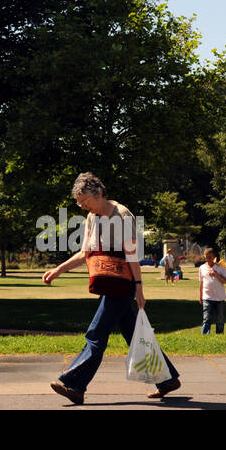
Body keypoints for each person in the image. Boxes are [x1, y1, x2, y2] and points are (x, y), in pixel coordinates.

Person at [44, 172, 181, 404]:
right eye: (79, 203)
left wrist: (138, 287)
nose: (82, 206)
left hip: (122, 284)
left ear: (98, 194)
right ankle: (167, 380)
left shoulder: (123, 215)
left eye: (84, 201)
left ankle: (74, 384)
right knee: (133, 334)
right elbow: (85, 253)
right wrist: (58, 270)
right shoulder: (91, 218)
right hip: (109, 282)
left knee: (96, 334)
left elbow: (132, 255)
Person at [199, 247, 226, 333]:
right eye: (206, 257)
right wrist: (201, 296)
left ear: (214, 257)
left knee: (220, 319)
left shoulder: (220, 268)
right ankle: (205, 335)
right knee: (206, 318)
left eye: (210, 257)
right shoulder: (202, 268)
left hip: (219, 297)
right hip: (207, 297)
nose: (208, 259)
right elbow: (201, 283)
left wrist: (216, 275)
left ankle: (219, 335)